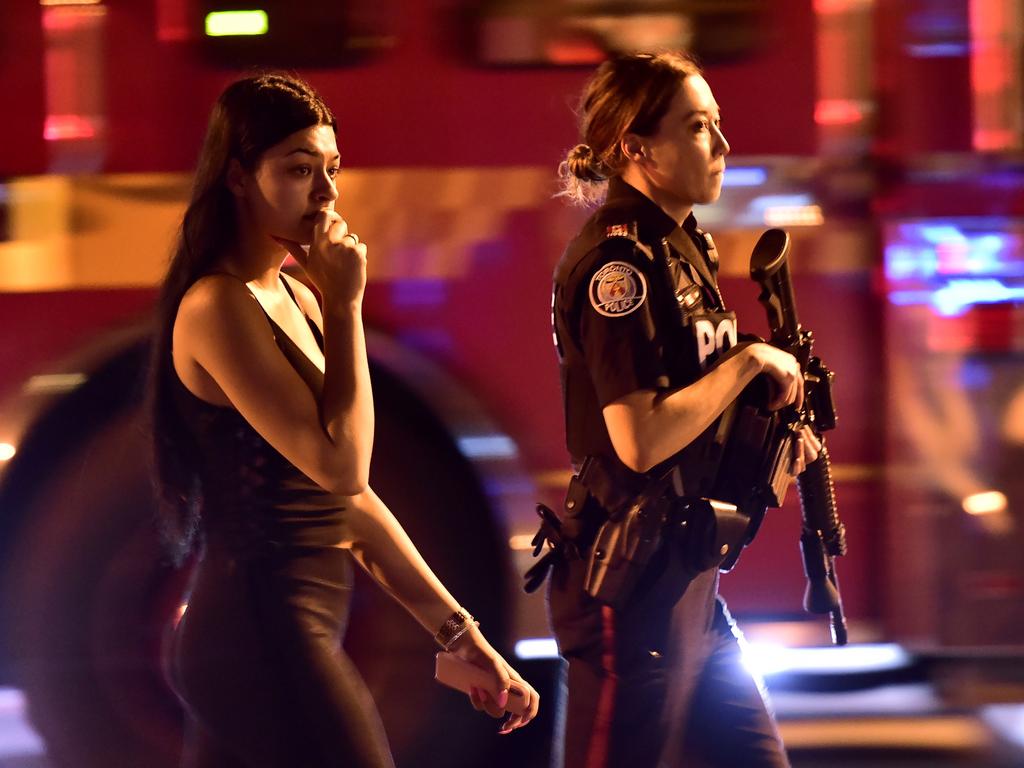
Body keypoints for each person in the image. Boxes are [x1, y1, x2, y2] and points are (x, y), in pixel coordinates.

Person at [147, 73, 538, 768]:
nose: (326, 194)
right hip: (256, 628)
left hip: (289, 627)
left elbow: (353, 503)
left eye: (331, 168)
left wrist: (461, 634)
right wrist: (347, 305)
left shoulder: (294, 294)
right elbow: (342, 464)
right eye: (298, 170)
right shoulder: (217, 306)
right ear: (238, 177)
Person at [536, 53, 822, 768]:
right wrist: (749, 362)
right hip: (630, 591)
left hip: (690, 578)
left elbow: (694, 408)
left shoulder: (682, 242)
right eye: (698, 128)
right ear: (637, 149)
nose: (722, 147)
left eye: (718, 125)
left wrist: (776, 435)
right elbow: (640, 438)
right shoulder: (620, 267)